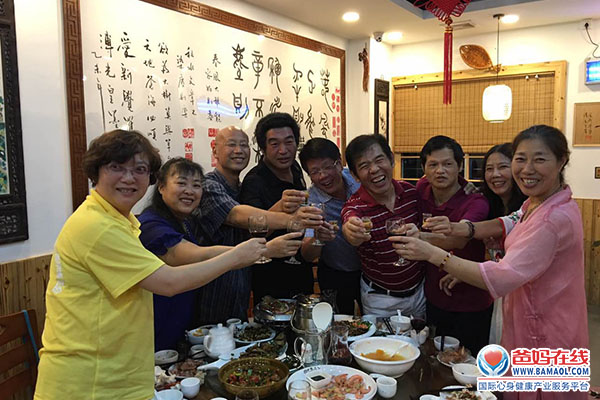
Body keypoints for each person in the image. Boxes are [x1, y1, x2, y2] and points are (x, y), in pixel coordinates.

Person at [34, 130, 267, 400]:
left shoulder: (120, 220)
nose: (129, 178)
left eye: (140, 169)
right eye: (116, 167)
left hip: (120, 374)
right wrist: (237, 257)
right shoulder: (97, 225)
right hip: (89, 383)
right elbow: (169, 282)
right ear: (95, 171)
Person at [393, 125, 589, 400]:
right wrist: (461, 228)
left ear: (561, 161)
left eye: (539, 159)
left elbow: (501, 276)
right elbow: (509, 221)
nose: (527, 169)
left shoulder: (551, 220)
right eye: (521, 159)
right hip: (525, 313)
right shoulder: (538, 202)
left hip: (545, 327)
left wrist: (430, 252)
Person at [138, 157, 302, 350]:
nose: (189, 191)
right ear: (161, 187)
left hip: (180, 324)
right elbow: (194, 255)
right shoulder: (151, 224)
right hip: (156, 328)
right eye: (181, 183)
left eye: (196, 185)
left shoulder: (185, 221)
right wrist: (265, 250)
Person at [191, 126, 317, 325]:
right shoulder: (208, 185)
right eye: (231, 144)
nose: (239, 150)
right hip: (213, 289)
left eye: (244, 145)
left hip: (240, 287)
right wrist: (293, 220)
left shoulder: (241, 188)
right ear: (215, 150)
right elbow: (237, 215)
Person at [417, 135, 491, 354]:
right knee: (433, 359)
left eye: (448, 164)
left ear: (460, 166)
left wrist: (419, 239)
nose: (440, 171)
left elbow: (459, 239)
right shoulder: (421, 189)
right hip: (432, 298)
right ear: (424, 168)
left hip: (471, 303)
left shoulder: (475, 201)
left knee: (467, 365)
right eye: (433, 165)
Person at [341, 133, 425, 319]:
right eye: (364, 166)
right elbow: (349, 223)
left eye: (379, 160)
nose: (374, 169)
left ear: (391, 160)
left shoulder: (411, 193)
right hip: (380, 300)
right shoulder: (354, 207)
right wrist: (351, 231)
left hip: (420, 292)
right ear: (354, 175)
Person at [239, 113, 318, 301]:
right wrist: (280, 207)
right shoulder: (254, 181)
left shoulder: (296, 168)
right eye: (274, 144)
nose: (283, 150)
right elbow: (251, 235)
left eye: (289, 142)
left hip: (302, 268)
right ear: (263, 148)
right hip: (271, 277)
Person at [298, 138, 362, 315]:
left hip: (370, 271)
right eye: (315, 172)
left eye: (327, 167)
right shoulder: (311, 203)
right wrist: (318, 238)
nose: (323, 176)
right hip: (335, 273)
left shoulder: (358, 179)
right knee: (338, 323)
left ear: (339, 163)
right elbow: (307, 254)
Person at [480, 143, 527, 344]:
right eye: (489, 169)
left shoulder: (529, 208)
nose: (495, 174)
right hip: (499, 297)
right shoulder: (491, 205)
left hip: (526, 297)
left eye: (503, 167)